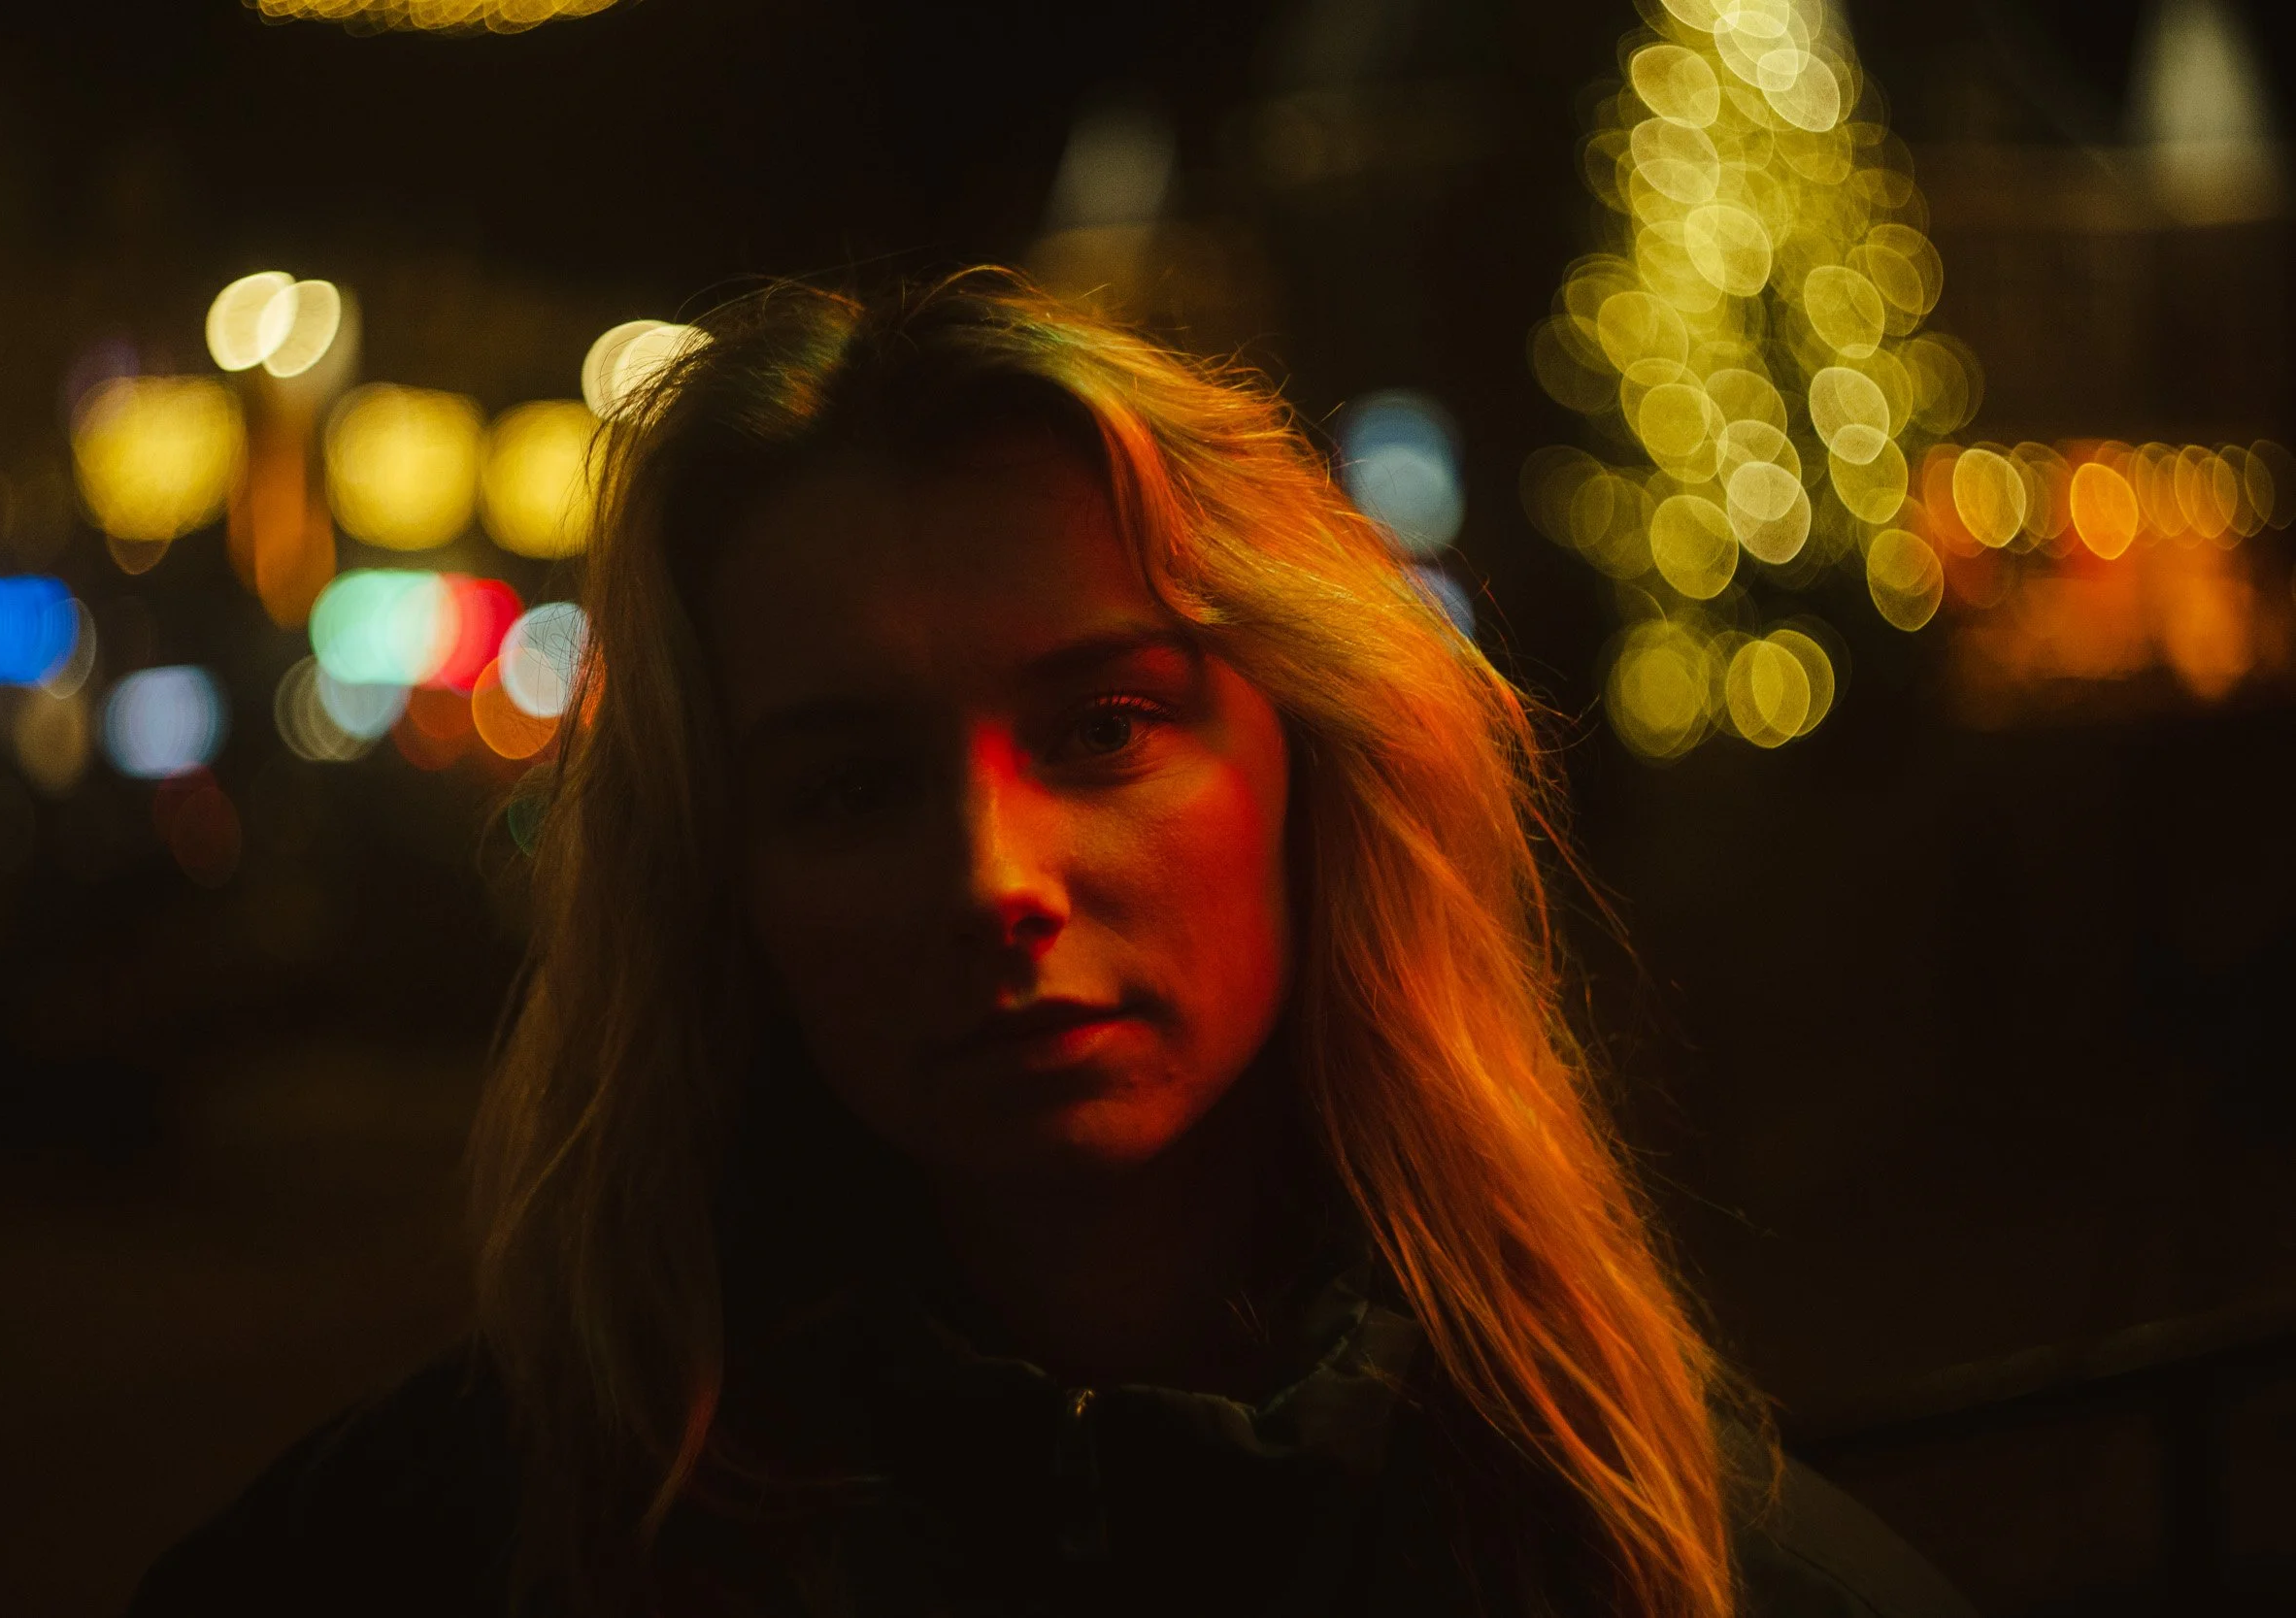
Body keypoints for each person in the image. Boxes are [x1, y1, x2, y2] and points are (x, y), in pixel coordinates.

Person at [131, 273, 1974, 1618]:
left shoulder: (1672, 1570)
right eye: (851, 787)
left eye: (1104, 727)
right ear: (719, 884)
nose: (992, 878)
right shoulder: (440, 1552)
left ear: (1312, 763)